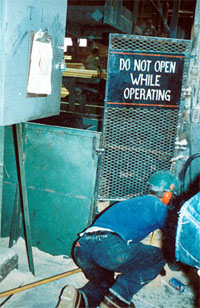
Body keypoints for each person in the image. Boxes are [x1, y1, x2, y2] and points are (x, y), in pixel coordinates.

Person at [56, 170, 178, 308]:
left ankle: (78, 299)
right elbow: (175, 232)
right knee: (159, 257)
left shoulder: (127, 204)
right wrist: (168, 263)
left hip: (82, 248)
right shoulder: (157, 205)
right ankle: (118, 300)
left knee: (106, 286)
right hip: (109, 247)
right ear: (168, 194)